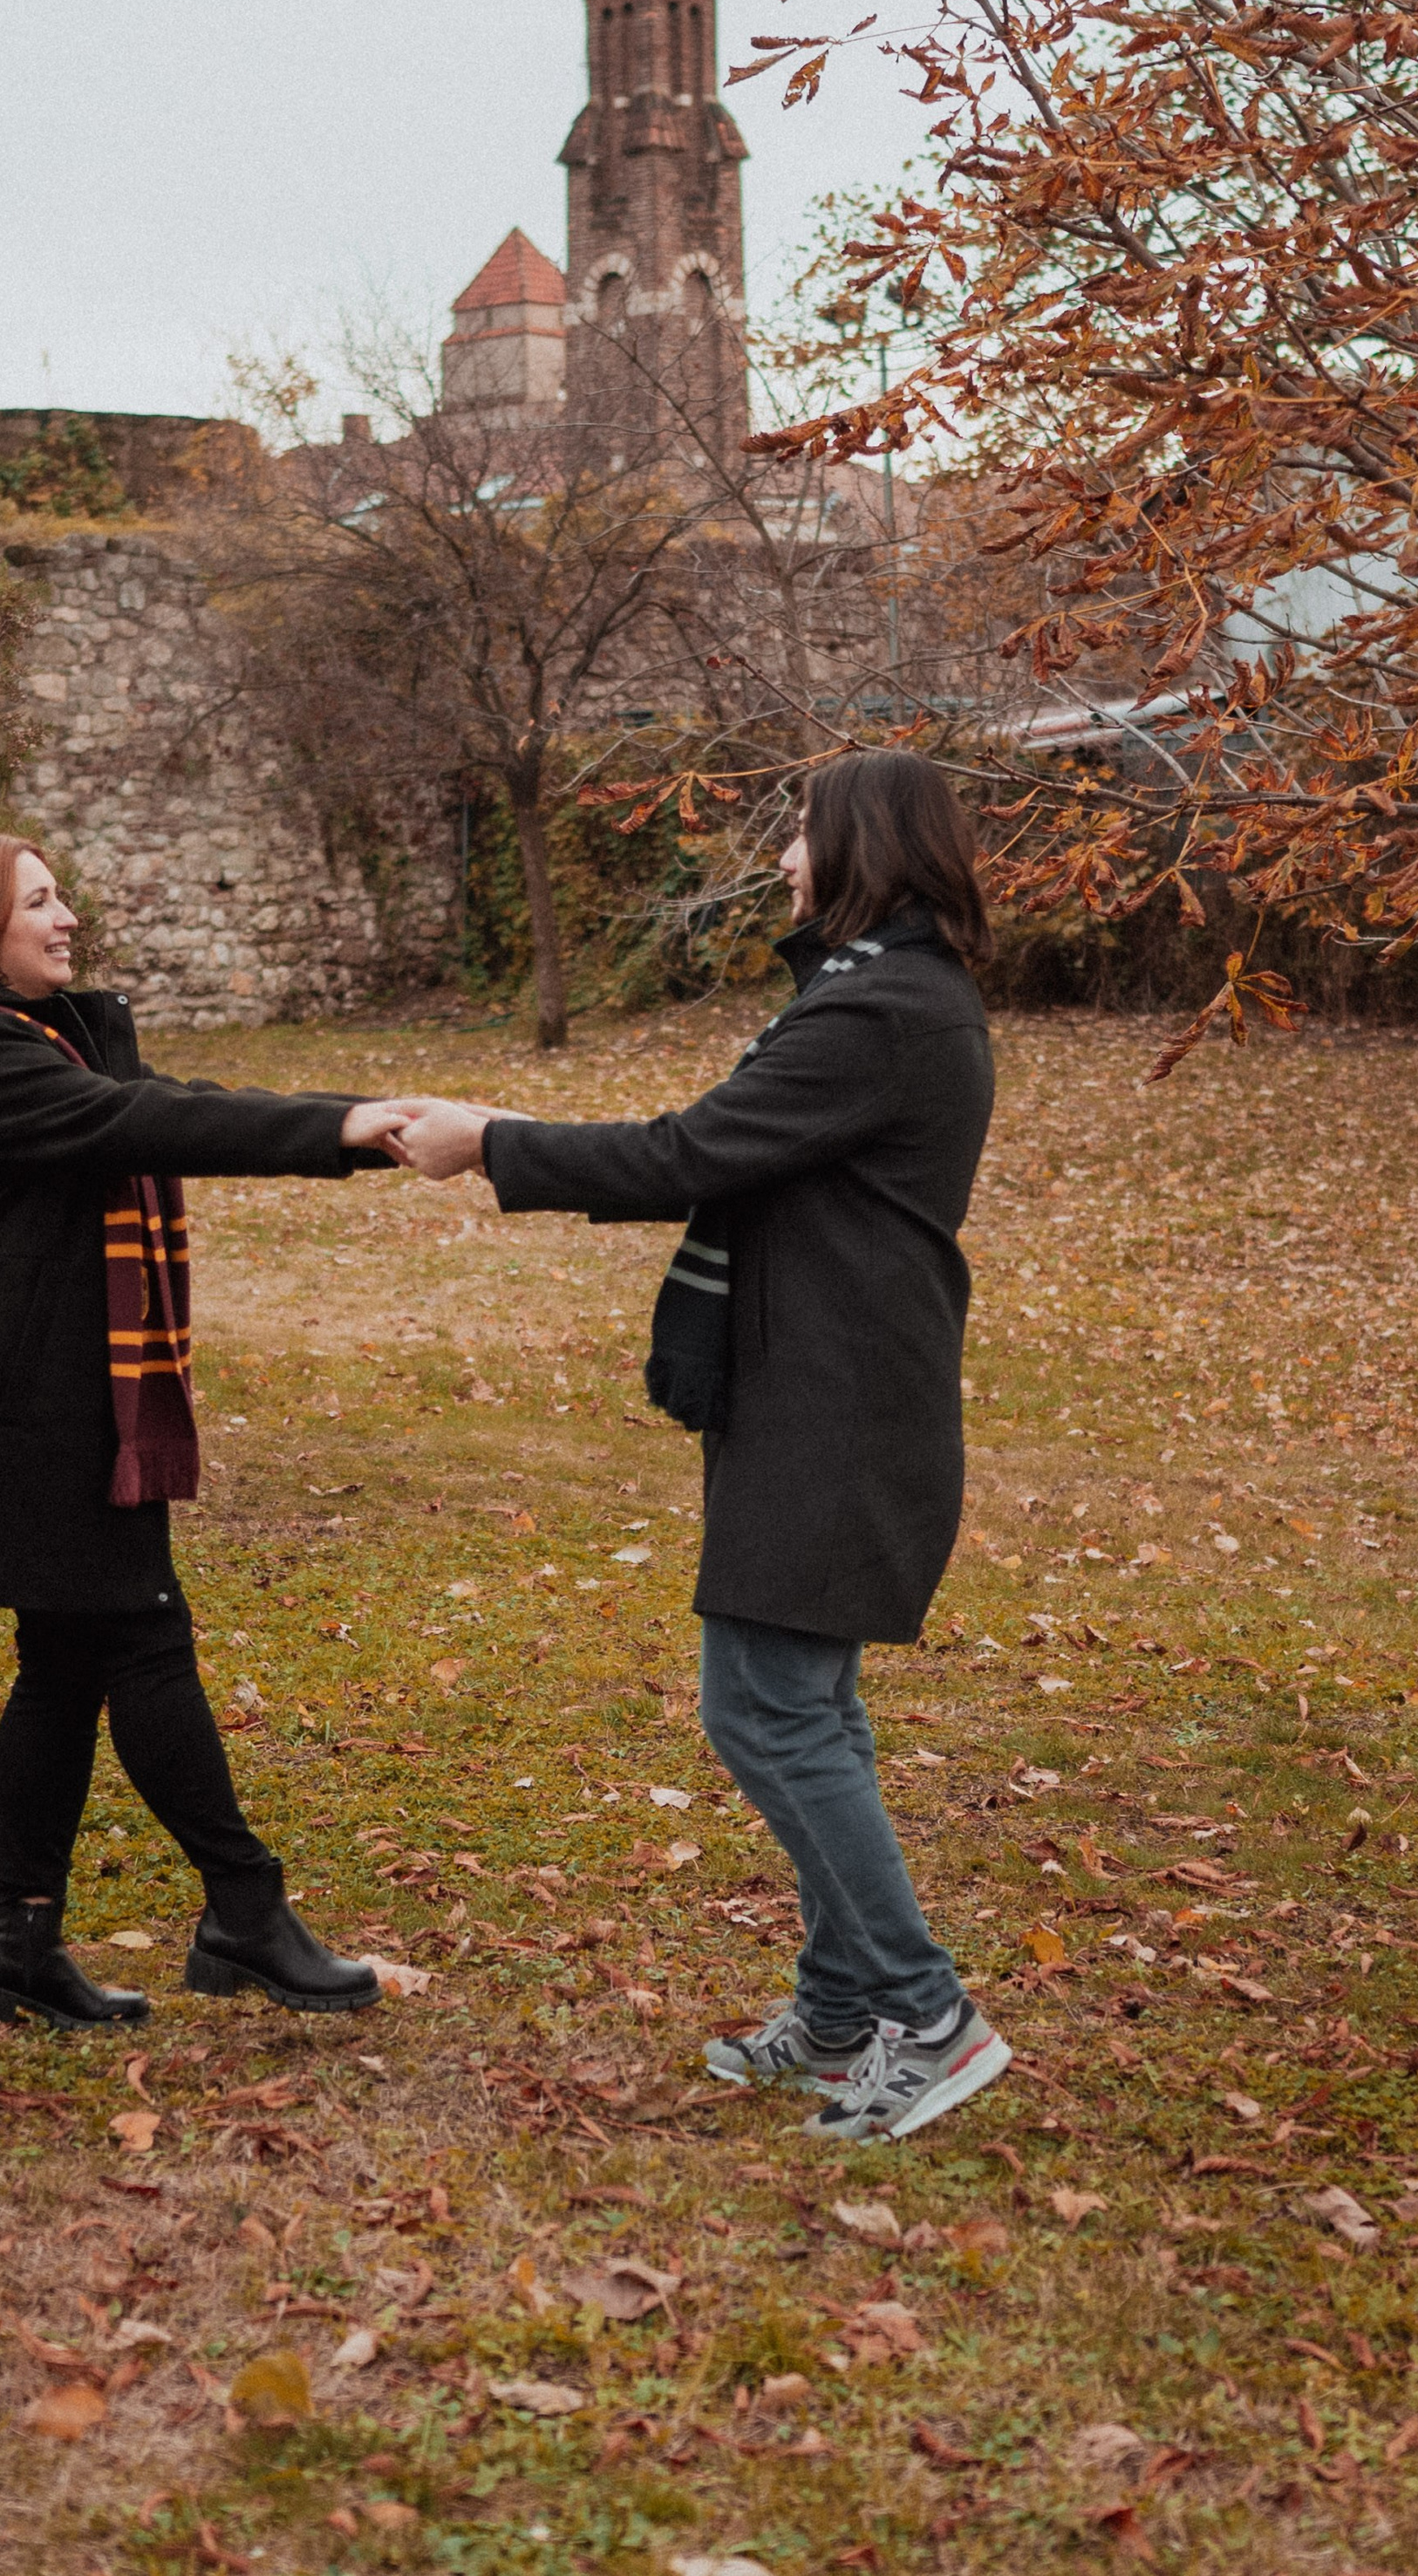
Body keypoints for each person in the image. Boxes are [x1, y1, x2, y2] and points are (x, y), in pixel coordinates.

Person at [394, 749, 1007, 2144]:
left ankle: (930, 2015)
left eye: (800, 833)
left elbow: (690, 1153)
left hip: (842, 1407)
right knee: (804, 1705)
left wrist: (491, 1140)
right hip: (820, 1390)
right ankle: (845, 2011)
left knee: (766, 1711)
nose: (784, 857)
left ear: (859, 847)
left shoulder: (883, 1011)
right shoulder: (876, 995)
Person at [0, 830, 419, 2031]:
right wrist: (340, 1129)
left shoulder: (28, 1038)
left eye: (63, 893)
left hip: (46, 1393)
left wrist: (347, 1122)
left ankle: (17, 1948)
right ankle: (244, 1911)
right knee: (143, 1638)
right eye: (40, 901)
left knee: (66, 1664)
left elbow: (146, 1103)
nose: (68, 916)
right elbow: (148, 1125)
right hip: (32, 1408)